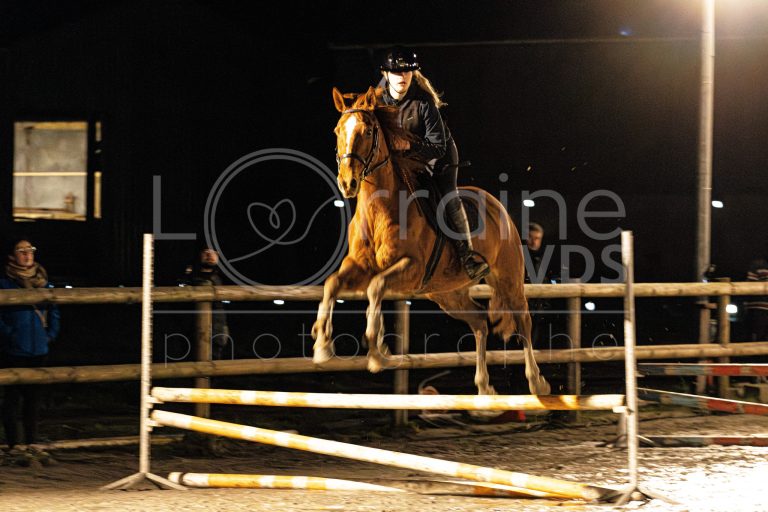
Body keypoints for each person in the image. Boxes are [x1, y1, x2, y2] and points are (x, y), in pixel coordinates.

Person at [377, 47, 489, 281]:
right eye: (396, 72)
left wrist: (407, 146)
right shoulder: (378, 99)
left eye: (407, 72)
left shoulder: (424, 102)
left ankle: (467, 255)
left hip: (439, 156)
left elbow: (437, 146)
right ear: (385, 74)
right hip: (402, 158)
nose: (402, 77)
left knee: (447, 195)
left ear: (413, 74)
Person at [0, 238, 60, 464]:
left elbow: (54, 311)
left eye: (30, 250)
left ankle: (32, 442)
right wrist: (10, 335)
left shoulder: (44, 282)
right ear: (12, 256)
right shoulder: (4, 284)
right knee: (12, 399)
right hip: (13, 349)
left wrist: (49, 335)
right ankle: (14, 444)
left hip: (39, 348)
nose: (27, 254)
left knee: (33, 399)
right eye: (22, 250)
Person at [180, 246, 231, 359]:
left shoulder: (224, 278)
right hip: (192, 333)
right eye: (206, 252)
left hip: (219, 331)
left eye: (214, 252)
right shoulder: (189, 279)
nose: (209, 255)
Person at [745, 258, 768, 341]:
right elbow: (750, 285)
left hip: (759, 307)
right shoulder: (759, 265)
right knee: (758, 337)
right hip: (759, 307)